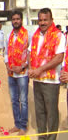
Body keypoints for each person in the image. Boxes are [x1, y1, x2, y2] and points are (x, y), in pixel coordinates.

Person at [28, 8, 66, 140]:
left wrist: (40, 69)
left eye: (45, 20)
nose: (42, 22)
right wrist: (32, 68)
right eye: (40, 20)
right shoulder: (35, 35)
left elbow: (59, 58)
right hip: (37, 80)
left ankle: (51, 138)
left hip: (51, 82)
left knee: (51, 114)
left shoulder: (58, 36)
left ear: (51, 20)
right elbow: (29, 53)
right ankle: (42, 138)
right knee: (40, 113)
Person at [4, 10, 31, 135]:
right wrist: (7, 66)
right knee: (14, 100)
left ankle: (23, 126)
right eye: (13, 19)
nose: (16, 21)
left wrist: (23, 66)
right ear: (11, 21)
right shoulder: (8, 36)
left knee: (23, 100)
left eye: (18, 19)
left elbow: (31, 53)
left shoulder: (27, 35)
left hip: (22, 74)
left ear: (21, 20)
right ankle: (17, 124)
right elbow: (5, 53)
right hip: (11, 74)